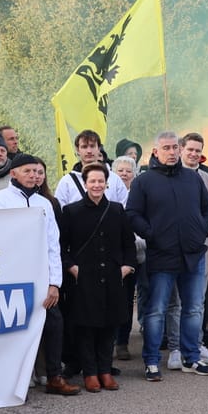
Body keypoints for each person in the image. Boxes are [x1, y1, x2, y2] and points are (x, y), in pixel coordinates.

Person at [126, 132, 208, 381]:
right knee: (156, 310)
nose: (172, 152)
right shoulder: (144, 181)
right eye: (166, 147)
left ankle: (191, 357)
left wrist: (202, 230)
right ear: (155, 152)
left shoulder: (192, 178)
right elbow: (132, 213)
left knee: (194, 308)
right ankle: (152, 362)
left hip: (193, 253)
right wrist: (151, 234)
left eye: (175, 147)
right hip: (161, 255)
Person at [0, 154, 79, 396]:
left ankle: (54, 377)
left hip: (41, 277)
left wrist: (54, 283)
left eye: (39, 172)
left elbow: (53, 244)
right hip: (12, 276)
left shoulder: (45, 203)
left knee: (54, 324)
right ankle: (15, 377)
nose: (34, 175)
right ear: (14, 173)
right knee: (14, 327)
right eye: (28, 171)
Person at [60, 164, 137, 392]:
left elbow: (128, 243)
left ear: (107, 183)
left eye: (100, 181)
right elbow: (62, 247)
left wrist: (126, 267)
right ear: (85, 184)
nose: (96, 185)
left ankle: (105, 370)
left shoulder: (116, 210)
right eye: (92, 181)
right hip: (83, 279)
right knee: (86, 328)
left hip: (113, 277)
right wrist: (73, 268)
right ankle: (90, 373)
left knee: (109, 326)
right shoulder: (71, 211)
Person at [181, 133, 208, 363]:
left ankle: (196, 345)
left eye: (198, 150)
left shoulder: (207, 178)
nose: (194, 154)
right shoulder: (171, 175)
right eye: (191, 150)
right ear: (181, 150)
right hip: (176, 248)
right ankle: (178, 347)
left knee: (198, 300)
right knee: (176, 301)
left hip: (203, 245)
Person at [110, 155, 146, 362]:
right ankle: (110, 341)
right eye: (120, 170)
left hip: (136, 254)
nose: (124, 174)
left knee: (128, 299)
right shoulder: (107, 193)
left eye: (128, 170)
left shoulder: (138, 194)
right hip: (112, 256)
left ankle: (122, 342)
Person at [54, 129, 128, 208]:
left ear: (99, 148)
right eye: (84, 147)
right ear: (77, 150)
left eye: (92, 146)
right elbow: (60, 210)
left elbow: (124, 208)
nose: (89, 151)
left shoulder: (114, 179)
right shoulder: (67, 182)